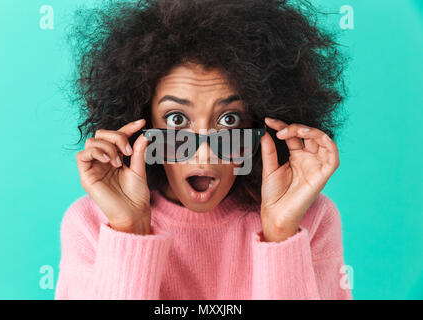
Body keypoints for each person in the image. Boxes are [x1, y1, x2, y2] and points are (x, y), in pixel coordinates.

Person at [55, 0, 352, 299]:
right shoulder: (91, 224)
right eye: (176, 119)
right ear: (140, 123)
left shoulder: (309, 219)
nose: (204, 153)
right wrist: (129, 230)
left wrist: (280, 232)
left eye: (229, 120)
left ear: (259, 122)